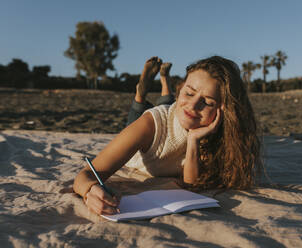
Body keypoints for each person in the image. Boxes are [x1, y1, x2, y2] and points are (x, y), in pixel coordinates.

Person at [73, 56, 263, 215]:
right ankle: (140, 94)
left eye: (208, 102)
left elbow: (192, 185)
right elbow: (86, 174)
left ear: (224, 110)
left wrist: (194, 140)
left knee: (170, 105)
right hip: (147, 137)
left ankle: (160, 85)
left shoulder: (216, 134)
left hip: (173, 117)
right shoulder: (150, 124)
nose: (193, 105)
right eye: (189, 93)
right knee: (137, 118)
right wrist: (90, 191)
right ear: (181, 89)